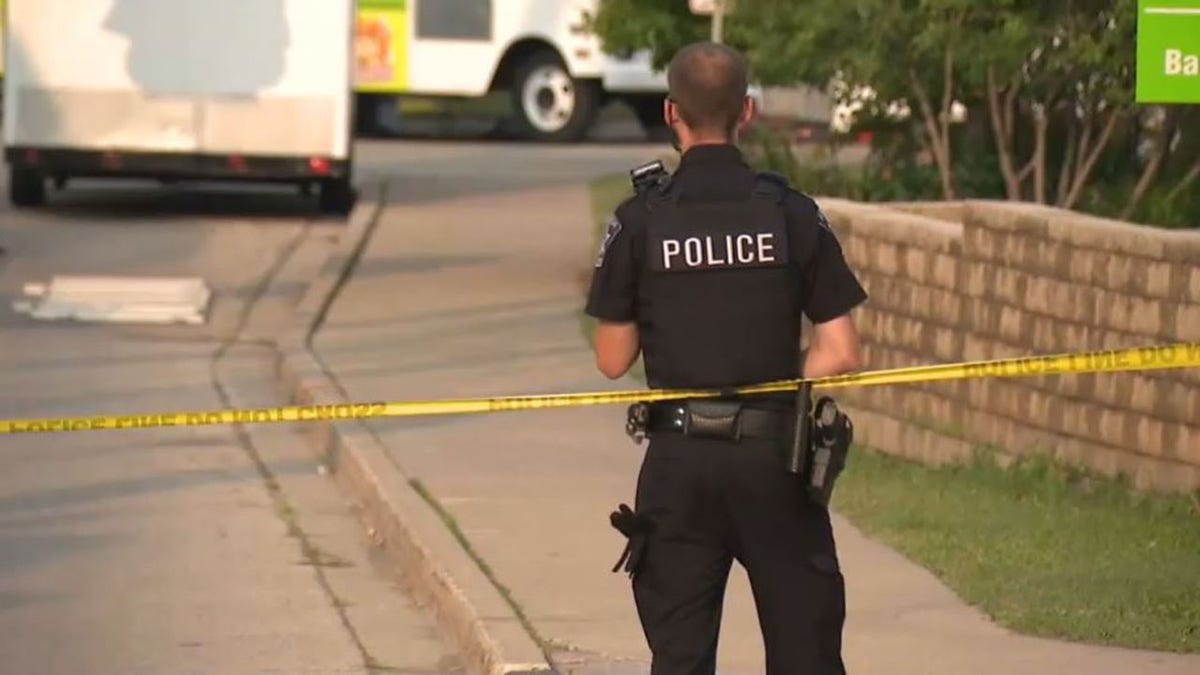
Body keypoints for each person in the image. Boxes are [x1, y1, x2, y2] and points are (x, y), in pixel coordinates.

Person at [583, 41, 868, 675]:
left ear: (670, 113)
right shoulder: (792, 212)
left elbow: (612, 357)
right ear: (747, 111)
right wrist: (770, 370)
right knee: (806, 656)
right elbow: (841, 352)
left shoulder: (638, 220)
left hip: (679, 466)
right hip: (775, 462)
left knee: (680, 660)